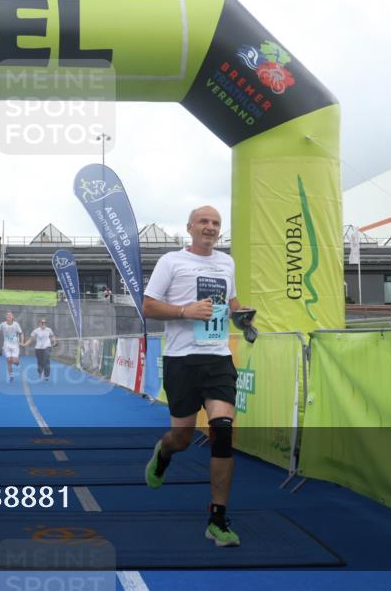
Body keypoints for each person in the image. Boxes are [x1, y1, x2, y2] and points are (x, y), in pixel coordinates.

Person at [142, 206, 254, 548]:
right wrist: (184, 311)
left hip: (218, 358)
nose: (210, 227)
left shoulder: (227, 263)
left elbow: (231, 302)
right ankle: (164, 453)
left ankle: (217, 518)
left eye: (215, 223)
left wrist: (242, 316)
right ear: (190, 227)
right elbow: (148, 306)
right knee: (182, 437)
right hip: (181, 360)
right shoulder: (171, 261)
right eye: (203, 221)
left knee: (222, 431)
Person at [0, 311, 24, 382]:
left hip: (15, 346)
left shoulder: (16, 324)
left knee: (15, 361)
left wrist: (22, 342)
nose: (9, 316)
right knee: (9, 360)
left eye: (10, 315)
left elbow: (21, 333)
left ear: (13, 317)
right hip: (6, 345)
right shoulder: (2, 324)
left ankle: (17, 363)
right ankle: (11, 375)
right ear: (6, 317)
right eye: (7, 315)